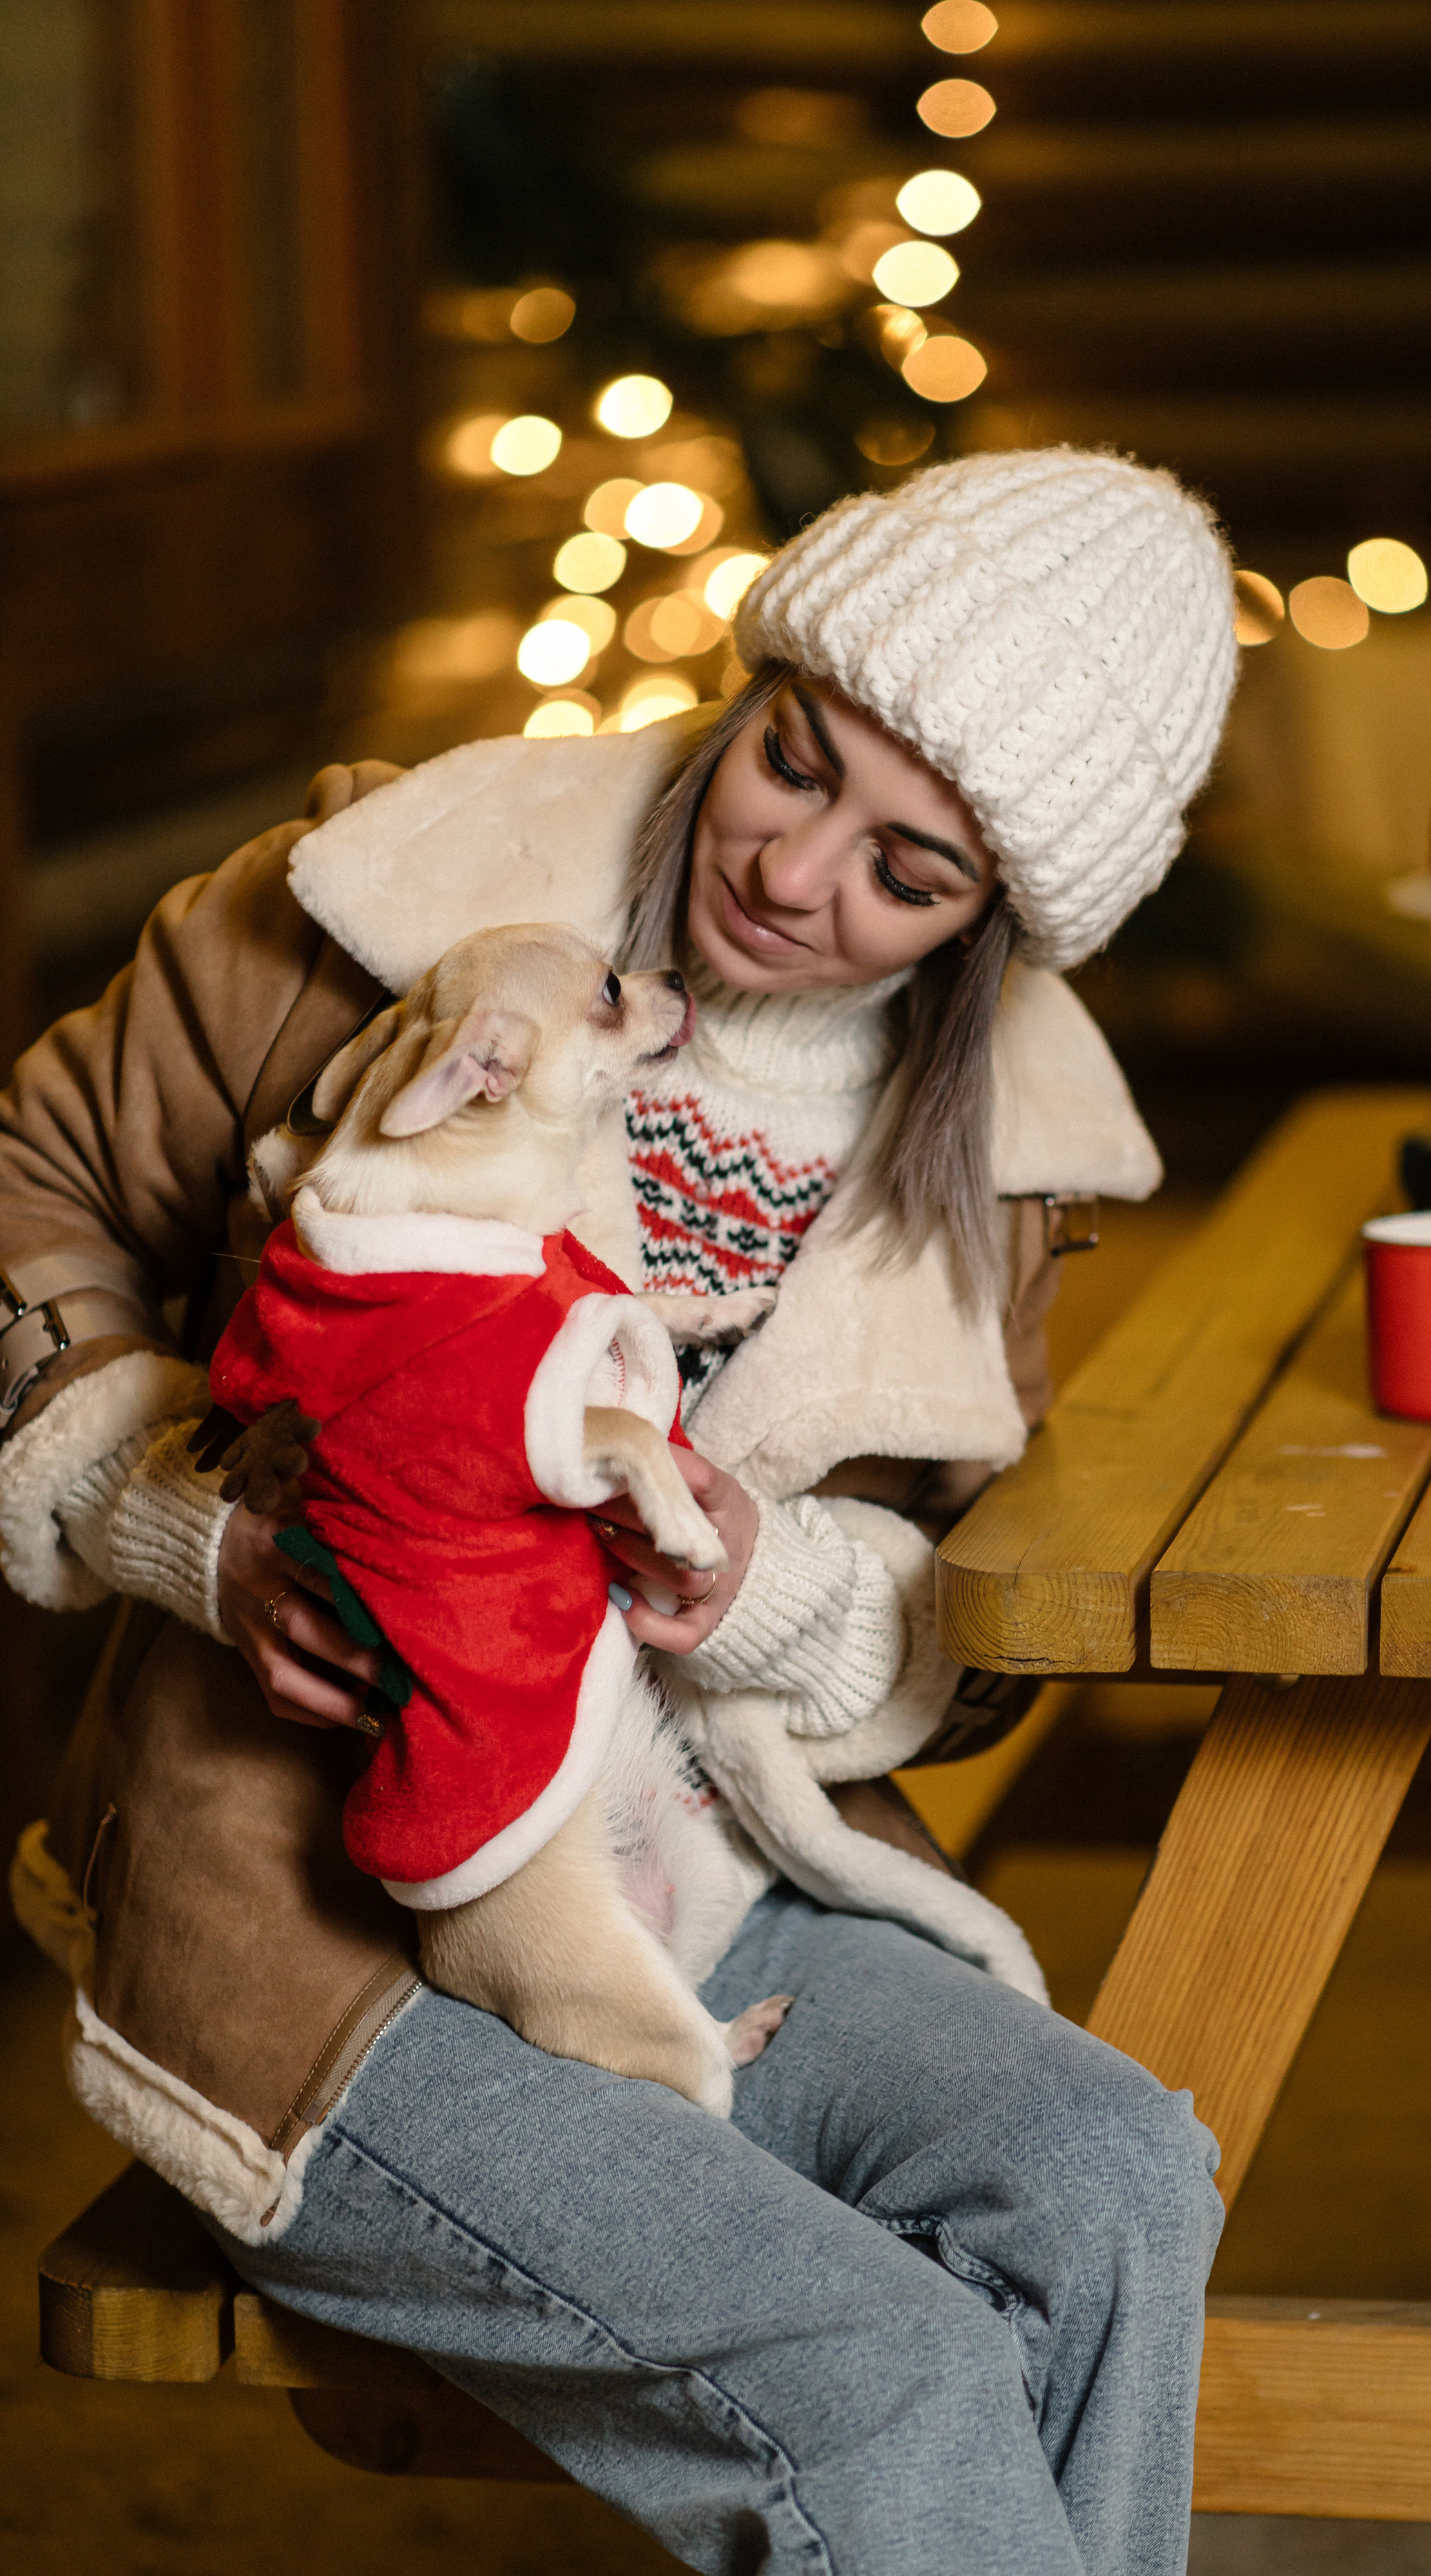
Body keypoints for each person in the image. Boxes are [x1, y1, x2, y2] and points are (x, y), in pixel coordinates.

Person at [1, 447, 1238, 2573]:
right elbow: (30, 1196)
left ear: (995, 923)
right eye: (794, 758)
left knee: (1113, 2175)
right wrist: (176, 1518)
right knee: (885, 2375)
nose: (792, 868)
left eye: (907, 868)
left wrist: (769, 1586)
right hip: (306, 1907)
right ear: (753, 679)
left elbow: (965, 1649)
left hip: (707, 1865)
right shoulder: (364, 908)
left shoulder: (1005, 1163)